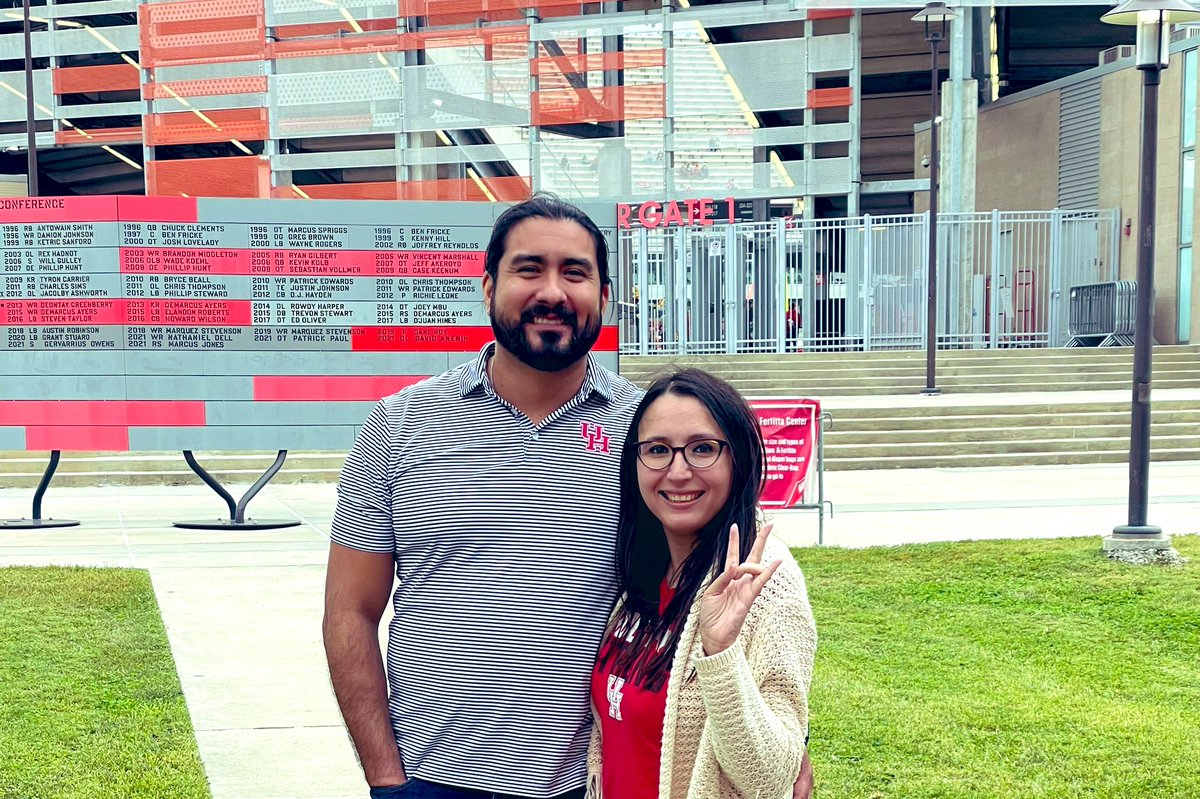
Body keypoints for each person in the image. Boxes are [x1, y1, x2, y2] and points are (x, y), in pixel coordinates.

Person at [323, 195, 813, 799]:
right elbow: (351, 611)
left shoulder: (649, 434)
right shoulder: (402, 423)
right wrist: (385, 777)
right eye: (529, 269)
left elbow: (732, 569)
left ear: (604, 296)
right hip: (432, 782)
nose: (552, 291)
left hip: (589, 779)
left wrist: (789, 744)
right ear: (487, 287)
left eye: (575, 272)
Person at [588, 369, 816, 798]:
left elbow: (772, 781)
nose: (678, 472)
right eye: (657, 450)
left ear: (738, 459)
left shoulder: (766, 581)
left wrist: (721, 653)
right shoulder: (643, 569)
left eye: (702, 449)